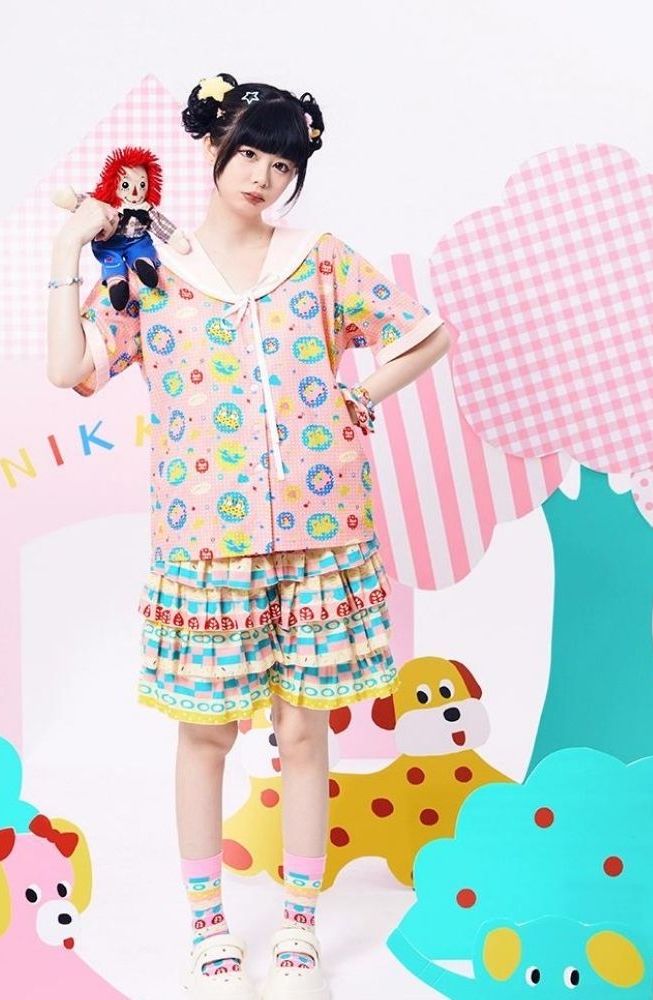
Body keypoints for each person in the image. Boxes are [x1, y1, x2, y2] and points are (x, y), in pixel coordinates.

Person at [47, 71, 451, 1000]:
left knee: (303, 733)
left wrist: (360, 393)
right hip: (207, 544)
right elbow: (70, 368)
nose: (264, 178)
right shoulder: (153, 272)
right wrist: (70, 246)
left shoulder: (317, 260)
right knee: (206, 735)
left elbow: (425, 333)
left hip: (322, 533)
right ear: (212, 149)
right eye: (251, 156)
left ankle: (301, 925)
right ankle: (207, 926)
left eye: (283, 165)